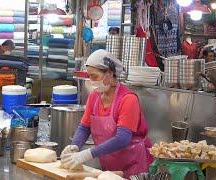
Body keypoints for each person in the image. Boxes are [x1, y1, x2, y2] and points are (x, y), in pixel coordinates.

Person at [60, 49, 154, 178]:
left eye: (95, 76)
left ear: (109, 74)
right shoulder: (94, 96)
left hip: (134, 167)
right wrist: (75, 146)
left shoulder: (128, 99)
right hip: (110, 169)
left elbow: (123, 139)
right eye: (89, 76)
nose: (91, 80)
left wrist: (88, 154)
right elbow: (84, 127)